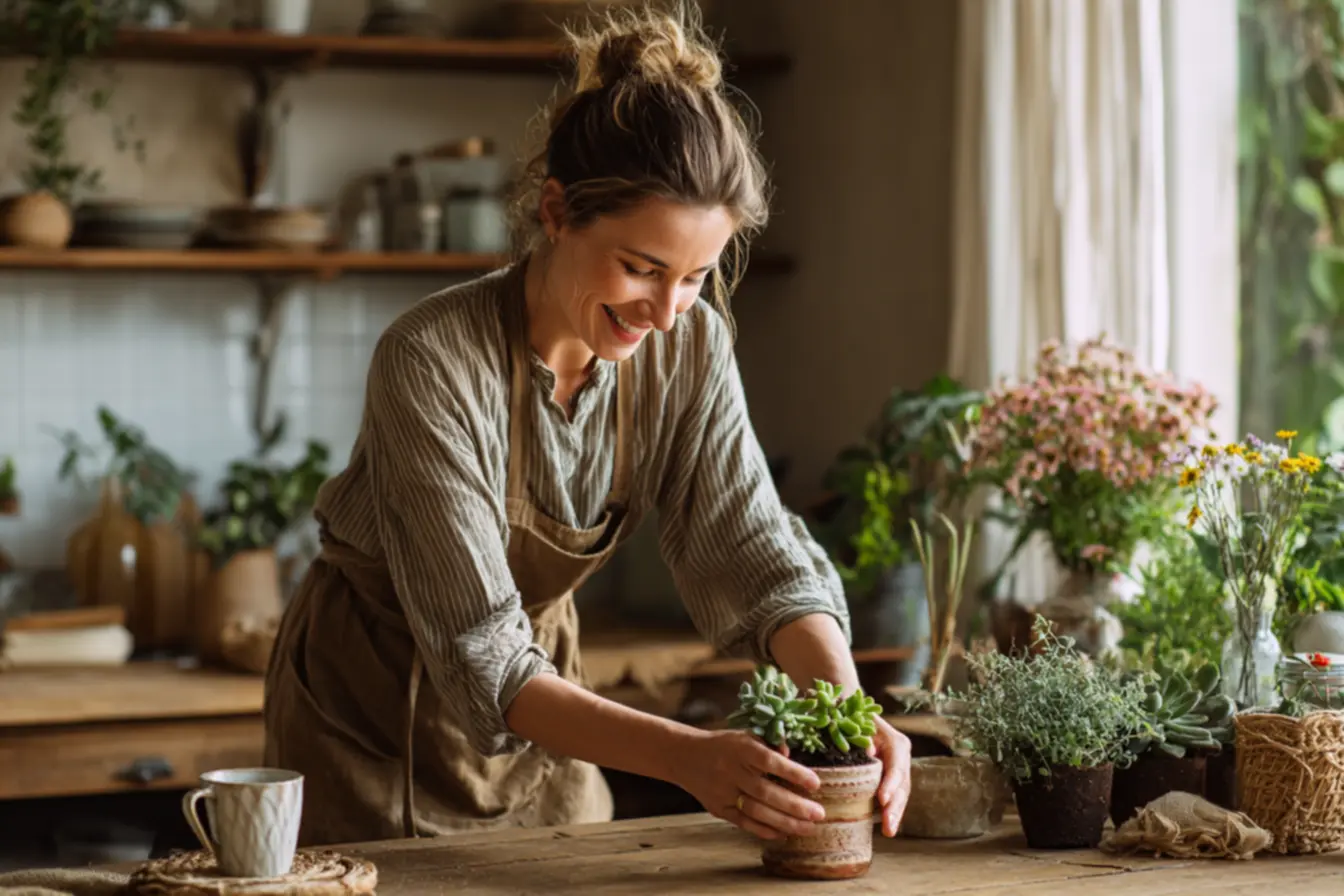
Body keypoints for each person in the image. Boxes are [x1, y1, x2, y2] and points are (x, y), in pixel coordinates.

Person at [263, 4, 911, 847]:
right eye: (642, 269)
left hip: (552, 718)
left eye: (695, 277)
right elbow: (480, 650)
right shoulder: (430, 358)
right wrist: (689, 758)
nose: (668, 313)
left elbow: (753, 552)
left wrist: (850, 710)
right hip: (373, 718)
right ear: (558, 211)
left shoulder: (691, 348)